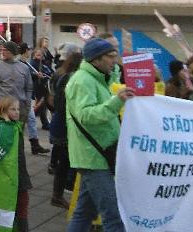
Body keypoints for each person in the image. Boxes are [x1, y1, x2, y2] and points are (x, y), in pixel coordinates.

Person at [65, 38, 132, 231]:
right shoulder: (82, 81)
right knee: (113, 217)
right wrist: (116, 102)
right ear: (96, 60)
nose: (115, 59)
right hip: (93, 157)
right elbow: (86, 115)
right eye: (110, 56)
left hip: (99, 154)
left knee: (84, 214)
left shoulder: (100, 77)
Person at [0, 41, 48, 155]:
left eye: (5, 50)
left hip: (19, 108)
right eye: (2, 50)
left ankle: (17, 162)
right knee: (0, 136)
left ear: (12, 52)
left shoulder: (23, 68)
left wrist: (27, 104)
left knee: (17, 137)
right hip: (2, 107)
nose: (2, 52)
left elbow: (28, 87)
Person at [0, 96, 31, 230]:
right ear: (4, 111)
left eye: (18, 109)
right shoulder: (5, 128)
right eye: (13, 109)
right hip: (12, 174)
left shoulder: (15, 126)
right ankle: (21, 228)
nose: (17, 112)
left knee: (17, 201)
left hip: (19, 171)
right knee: (20, 202)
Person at [49, 52, 83, 208]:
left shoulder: (63, 75)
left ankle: (58, 195)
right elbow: (63, 104)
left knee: (64, 161)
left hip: (61, 122)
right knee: (65, 162)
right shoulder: (71, 79)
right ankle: (57, 195)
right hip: (65, 125)